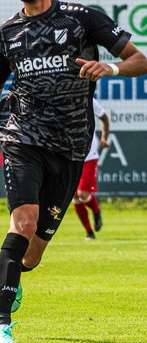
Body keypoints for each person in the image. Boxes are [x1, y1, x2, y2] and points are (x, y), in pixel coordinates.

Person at [0, 0, 147, 343]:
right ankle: (0, 327)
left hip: (72, 145)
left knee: (32, 253)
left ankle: (16, 277)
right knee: (23, 222)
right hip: (22, 135)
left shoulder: (82, 19)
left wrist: (110, 66)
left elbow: (140, 60)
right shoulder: (5, 34)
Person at [73, 98, 109, 240]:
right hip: (70, 155)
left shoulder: (88, 99)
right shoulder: (61, 97)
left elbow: (104, 117)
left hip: (89, 155)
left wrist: (104, 137)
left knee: (82, 194)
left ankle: (96, 209)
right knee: (74, 197)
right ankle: (89, 232)